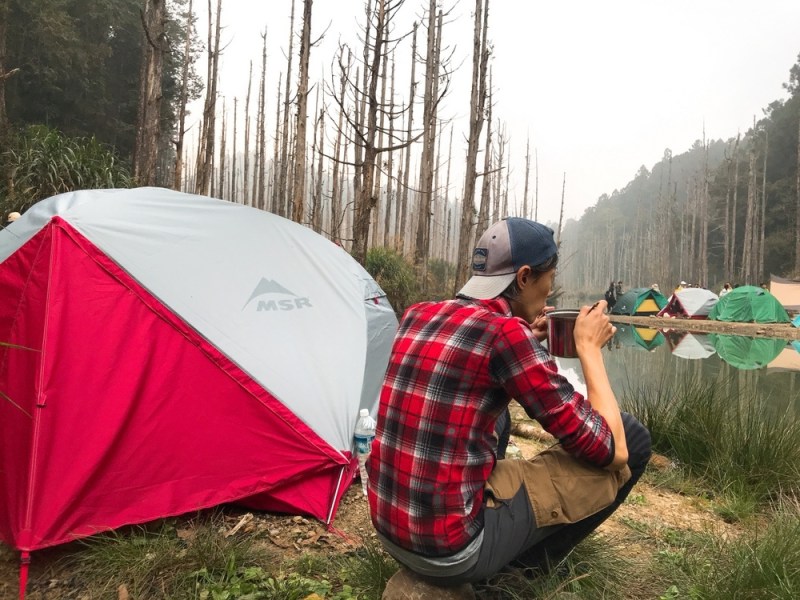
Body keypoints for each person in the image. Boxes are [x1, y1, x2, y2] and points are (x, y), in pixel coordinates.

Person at [367, 217, 651, 587]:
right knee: (634, 438)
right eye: (547, 288)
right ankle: (515, 581)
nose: (547, 297)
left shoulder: (418, 314)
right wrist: (588, 350)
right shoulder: (505, 335)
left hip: (391, 528)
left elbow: (473, 354)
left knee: (496, 419)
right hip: (451, 550)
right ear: (524, 277)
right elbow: (612, 450)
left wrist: (524, 340)